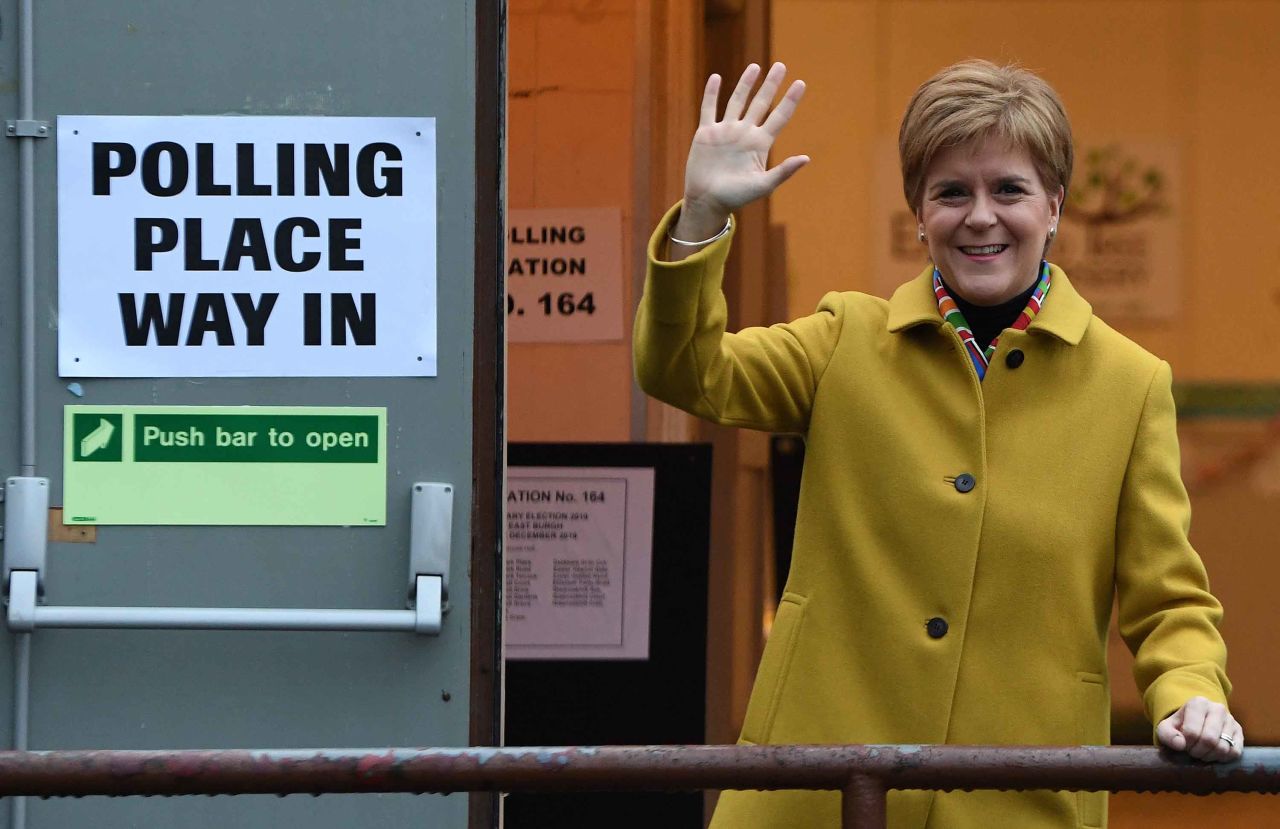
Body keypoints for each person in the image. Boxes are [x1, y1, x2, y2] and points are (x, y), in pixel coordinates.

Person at [633, 60, 1240, 829]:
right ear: (918, 214)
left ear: (1055, 205)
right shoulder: (844, 341)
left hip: (1020, 802)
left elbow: (1168, 600)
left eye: (1009, 190)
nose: (980, 216)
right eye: (952, 192)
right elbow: (684, 369)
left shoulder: (1131, 383)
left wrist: (1193, 690)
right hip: (816, 794)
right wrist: (700, 216)